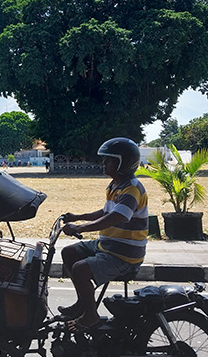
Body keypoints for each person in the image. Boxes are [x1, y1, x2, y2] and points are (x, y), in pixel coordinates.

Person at [58, 137, 148, 331]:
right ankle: (83, 303)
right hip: (107, 245)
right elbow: (105, 211)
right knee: (68, 253)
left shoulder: (132, 188)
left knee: (81, 269)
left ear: (122, 162)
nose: (104, 163)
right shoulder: (115, 185)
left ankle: (91, 316)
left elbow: (117, 217)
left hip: (124, 254)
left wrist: (80, 228)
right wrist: (78, 217)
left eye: (108, 160)